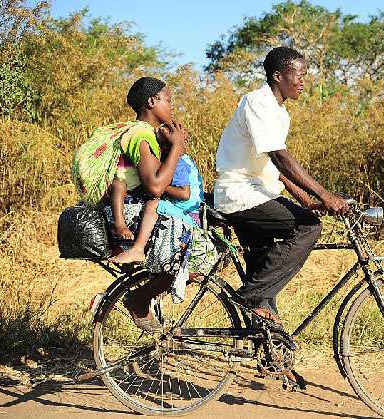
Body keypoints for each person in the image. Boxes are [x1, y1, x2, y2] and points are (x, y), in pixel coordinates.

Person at [213, 46, 348, 326]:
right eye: (299, 75)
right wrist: (325, 195)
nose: (303, 82)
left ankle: (269, 354)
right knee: (308, 226)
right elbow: (281, 157)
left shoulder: (279, 113)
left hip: (257, 194)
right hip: (240, 194)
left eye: (305, 76)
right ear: (277, 76)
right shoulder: (257, 103)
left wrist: (305, 199)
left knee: (266, 277)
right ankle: (248, 295)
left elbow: (274, 164)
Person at [100, 76, 215, 332]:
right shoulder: (141, 135)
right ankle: (139, 299)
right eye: (169, 101)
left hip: (134, 208)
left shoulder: (145, 134)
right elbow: (155, 186)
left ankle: (145, 294)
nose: (172, 108)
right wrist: (176, 146)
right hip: (131, 210)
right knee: (203, 254)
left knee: (195, 258)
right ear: (152, 101)